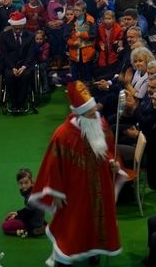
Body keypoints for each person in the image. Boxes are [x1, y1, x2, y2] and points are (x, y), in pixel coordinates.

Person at [28, 81, 123, 266]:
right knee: (71, 227)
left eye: (94, 110)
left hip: (99, 190)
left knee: (95, 224)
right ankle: (64, 258)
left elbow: (108, 149)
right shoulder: (63, 135)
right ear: (80, 114)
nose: (95, 114)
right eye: (90, 113)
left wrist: (113, 162)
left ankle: (93, 251)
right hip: (73, 193)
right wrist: (56, 192)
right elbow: (53, 166)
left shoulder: (100, 124)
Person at [0, 12, 35, 113]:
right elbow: (4, 54)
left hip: (25, 65)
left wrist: (24, 67)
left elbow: (31, 54)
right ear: (12, 26)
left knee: (26, 75)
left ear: (23, 25)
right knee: (9, 76)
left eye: (20, 28)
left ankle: (21, 103)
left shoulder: (31, 36)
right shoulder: (4, 36)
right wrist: (12, 67)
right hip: (10, 65)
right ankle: (14, 103)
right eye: (16, 28)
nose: (18, 30)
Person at [2, 168, 46, 237]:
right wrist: (17, 212)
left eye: (26, 182)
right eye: (21, 183)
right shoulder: (31, 191)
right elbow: (28, 209)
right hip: (36, 218)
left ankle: (28, 231)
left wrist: (16, 216)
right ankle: (40, 225)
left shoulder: (30, 196)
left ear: (31, 182)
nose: (23, 186)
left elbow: (28, 214)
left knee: (5, 226)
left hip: (33, 222)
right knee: (8, 219)